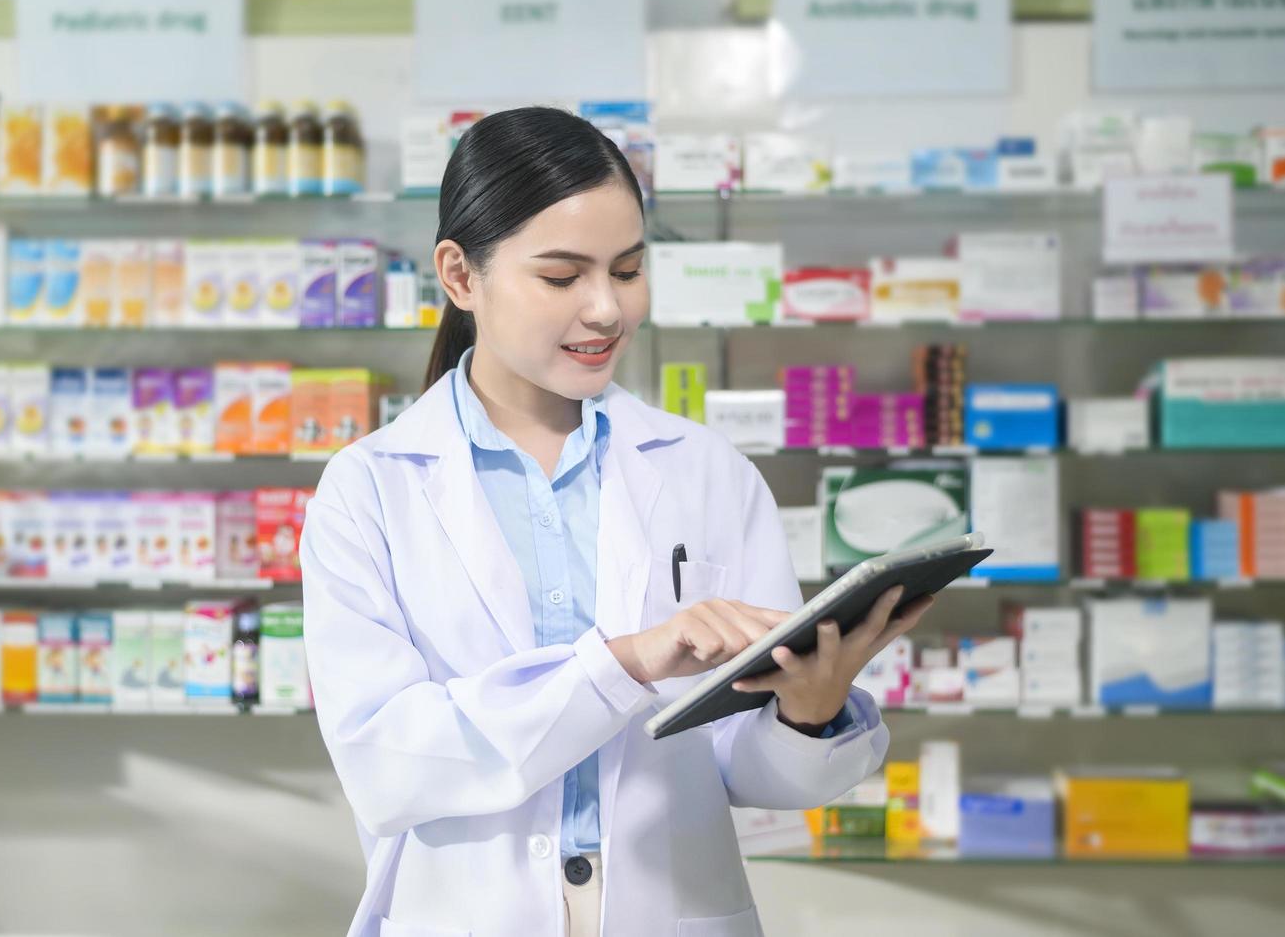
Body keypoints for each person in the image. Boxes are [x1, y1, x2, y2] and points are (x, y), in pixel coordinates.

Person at [300, 107, 932, 937]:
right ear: (459, 275)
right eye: (562, 278)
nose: (606, 309)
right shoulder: (369, 487)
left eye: (628, 270)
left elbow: (744, 772)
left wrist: (805, 714)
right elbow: (388, 764)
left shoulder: (706, 472)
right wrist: (625, 664)